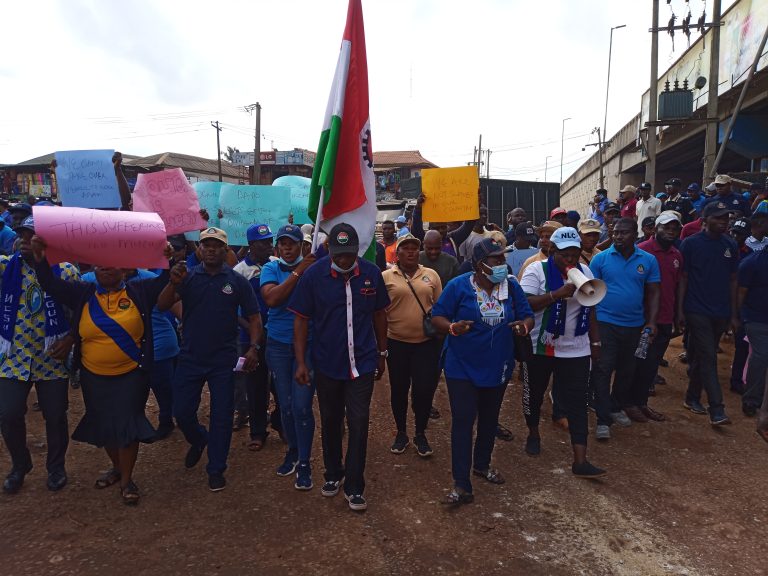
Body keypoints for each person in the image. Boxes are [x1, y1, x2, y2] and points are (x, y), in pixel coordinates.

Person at [31, 234, 173, 505]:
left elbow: (166, 280)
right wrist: (41, 260)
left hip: (132, 373)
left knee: (128, 423)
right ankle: (117, 468)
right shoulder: (82, 294)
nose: (106, 268)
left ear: (123, 269)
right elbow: (49, 283)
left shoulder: (140, 291)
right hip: (93, 375)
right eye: (100, 265)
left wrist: (168, 257)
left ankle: (127, 479)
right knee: (104, 424)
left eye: (112, 264)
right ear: (93, 270)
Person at [289, 223, 389, 512]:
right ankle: (333, 473)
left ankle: (355, 486)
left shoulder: (371, 274)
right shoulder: (313, 276)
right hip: (328, 363)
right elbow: (301, 320)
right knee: (331, 421)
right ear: (329, 251)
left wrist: (382, 352)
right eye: (338, 255)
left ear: (356, 251)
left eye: (348, 255)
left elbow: (380, 314)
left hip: (363, 362)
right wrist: (300, 362)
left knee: (358, 423)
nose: (343, 260)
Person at [158, 227, 263, 492]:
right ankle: (199, 438)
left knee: (222, 416)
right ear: (200, 250)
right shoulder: (187, 277)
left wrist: (253, 347)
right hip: (191, 357)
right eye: (207, 245)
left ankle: (216, 468)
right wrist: (172, 282)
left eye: (218, 245)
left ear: (225, 250)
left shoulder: (236, 281)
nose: (212, 249)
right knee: (181, 412)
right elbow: (161, 305)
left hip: (223, 359)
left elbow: (254, 317)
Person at [431, 238, 534, 506]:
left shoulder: (510, 285)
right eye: (496, 259)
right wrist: (453, 327)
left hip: (497, 364)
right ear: (480, 265)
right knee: (464, 421)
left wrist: (523, 327)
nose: (503, 264)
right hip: (461, 367)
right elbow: (437, 317)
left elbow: (526, 314)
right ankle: (461, 484)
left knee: (489, 418)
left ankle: (482, 464)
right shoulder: (458, 286)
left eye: (503, 258)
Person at [0, 217, 79, 494]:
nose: (24, 240)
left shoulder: (66, 271)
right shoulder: (4, 268)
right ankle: (20, 465)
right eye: (21, 235)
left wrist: (70, 339)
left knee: (56, 416)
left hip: (52, 358)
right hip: (13, 358)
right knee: (8, 414)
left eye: (31, 235)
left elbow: (81, 309)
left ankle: (56, 467)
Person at [519, 227, 606, 478]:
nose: (571, 260)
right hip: (541, 347)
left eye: (575, 254)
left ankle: (580, 460)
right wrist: (557, 294)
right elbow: (524, 303)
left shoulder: (585, 271)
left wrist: (595, 342)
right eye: (565, 255)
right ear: (552, 251)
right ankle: (533, 433)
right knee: (534, 394)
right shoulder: (537, 270)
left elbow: (591, 310)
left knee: (577, 403)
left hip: (575, 348)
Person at [589, 218, 660, 440]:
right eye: (615, 232)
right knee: (603, 370)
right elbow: (589, 294)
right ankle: (603, 418)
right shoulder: (600, 259)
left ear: (634, 233)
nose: (619, 236)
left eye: (624, 233)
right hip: (605, 322)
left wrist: (651, 322)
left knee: (627, 371)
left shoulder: (648, 260)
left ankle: (615, 405)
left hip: (634, 324)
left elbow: (654, 292)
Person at [260, 224, 318, 490]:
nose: (286, 247)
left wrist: (306, 269)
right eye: (282, 243)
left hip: (306, 346)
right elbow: (272, 299)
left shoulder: (313, 270)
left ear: (301, 246)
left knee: (302, 406)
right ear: (277, 247)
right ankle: (293, 451)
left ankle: (304, 462)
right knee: (285, 405)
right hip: (278, 346)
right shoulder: (270, 269)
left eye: (292, 243)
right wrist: (298, 272)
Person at [679, 202, 739, 425]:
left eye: (726, 219)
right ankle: (717, 409)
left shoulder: (730, 245)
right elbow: (683, 279)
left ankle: (692, 397)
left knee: (703, 355)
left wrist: (733, 314)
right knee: (709, 357)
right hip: (697, 309)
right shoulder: (691, 244)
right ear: (705, 221)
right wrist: (680, 310)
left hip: (721, 311)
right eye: (719, 218)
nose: (724, 222)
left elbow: (733, 280)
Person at [382, 234, 442, 457]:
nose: (410, 252)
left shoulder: (431, 275)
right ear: (397, 254)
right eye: (405, 248)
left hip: (425, 344)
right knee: (398, 390)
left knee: (424, 390)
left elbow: (440, 306)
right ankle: (401, 433)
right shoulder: (386, 277)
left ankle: (420, 433)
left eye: (414, 248)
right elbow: (379, 311)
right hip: (396, 343)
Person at [632, 211, 685, 421]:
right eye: (666, 227)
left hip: (665, 319)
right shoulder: (642, 251)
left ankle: (641, 402)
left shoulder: (676, 255)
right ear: (656, 229)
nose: (671, 231)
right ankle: (630, 402)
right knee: (640, 362)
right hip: (645, 321)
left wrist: (678, 313)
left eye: (675, 228)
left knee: (652, 364)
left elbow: (678, 286)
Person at [232, 223, 275, 450]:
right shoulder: (239, 272)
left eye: (270, 240)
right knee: (255, 385)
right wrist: (254, 332)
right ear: (251, 245)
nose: (269, 245)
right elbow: (233, 310)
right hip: (249, 338)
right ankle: (258, 432)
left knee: (280, 384)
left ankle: (281, 422)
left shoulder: (277, 266)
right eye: (264, 242)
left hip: (277, 335)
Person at [739, 248, 768, 420]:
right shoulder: (753, 262)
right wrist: (737, 317)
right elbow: (741, 291)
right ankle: (751, 400)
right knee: (761, 356)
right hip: (756, 319)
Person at [411, 194, 476, 261]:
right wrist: (418, 209)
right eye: (436, 228)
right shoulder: (424, 239)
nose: (441, 230)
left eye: (443, 227)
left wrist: (475, 203)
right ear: (429, 228)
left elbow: (469, 225)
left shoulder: (452, 239)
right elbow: (416, 227)